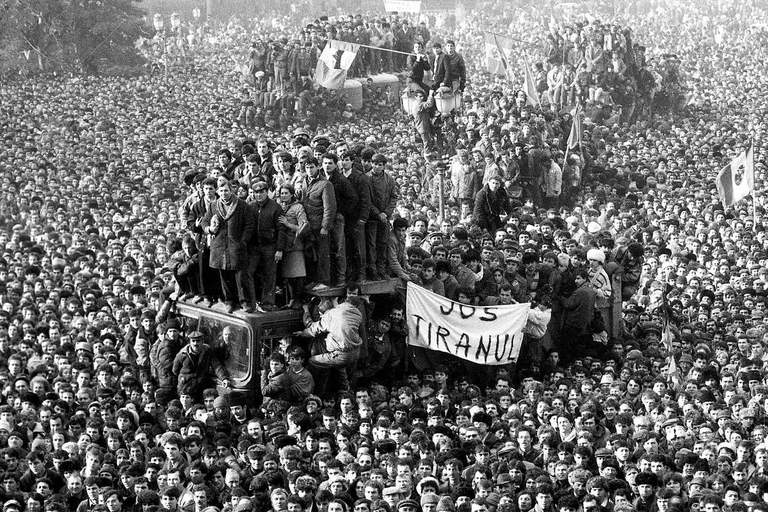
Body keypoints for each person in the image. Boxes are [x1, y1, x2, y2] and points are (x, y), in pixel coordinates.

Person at [201, 177, 254, 313]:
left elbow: (249, 224)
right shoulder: (214, 205)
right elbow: (205, 221)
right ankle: (229, 301)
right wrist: (209, 229)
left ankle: (244, 302)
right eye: (221, 191)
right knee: (224, 275)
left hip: (236, 245)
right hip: (219, 245)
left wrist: (243, 241)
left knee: (240, 275)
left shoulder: (242, 205)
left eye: (226, 190)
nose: (224, 193)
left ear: (231, 191)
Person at [295, 293, 363, 397]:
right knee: (341, 371)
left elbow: (314, 328)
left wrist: (304, 332)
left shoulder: (333, 313)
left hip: (340, 354)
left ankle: (308, 391)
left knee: (312, 361)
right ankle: (346, 393)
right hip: (355, 352)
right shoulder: (357, 314)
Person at [243, 180, 286, 313]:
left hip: (270, 246)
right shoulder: (250, 207)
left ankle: (267, 304)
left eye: (262, 192)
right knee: (248, 272)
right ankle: (251, 302)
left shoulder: (275, 207)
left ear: (267, 192)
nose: (259, 194)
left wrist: (279, 249)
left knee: (270, 275)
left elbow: (281, 229)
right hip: (254, 247)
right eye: (257, 192)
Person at [298, 156, 337, 291]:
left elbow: (329, 208)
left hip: (320, 226)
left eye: (312, 167)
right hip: (308, 226)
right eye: (307, 167)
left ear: (317, 167)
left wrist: (325, 226)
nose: (309, 170)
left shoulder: (325, 184)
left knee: (323, 254)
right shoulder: (304, 181)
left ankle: (324, 281)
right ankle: (314, 280)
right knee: (311, 255)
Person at [366, 153, 399, 280]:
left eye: (380, 165)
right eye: (375, 164)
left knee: (383, 243)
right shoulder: (367, 178)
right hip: (372, 218)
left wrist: (386, 213)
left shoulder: (389, 179)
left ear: (384, 166)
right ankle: (373, 270)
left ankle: (381, 269)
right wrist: (377, 213)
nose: (377, 167)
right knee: (371, 244)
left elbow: (394, 197)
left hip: (385, 217)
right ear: (371, 164)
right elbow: (367, 200)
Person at [277, 183, 309, 309]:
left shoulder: (298, 207)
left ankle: (298, 300)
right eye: (282, 193)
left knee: (297, 275)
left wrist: (287, 223)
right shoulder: (280, 206)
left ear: (291, 194)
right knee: (289, 276)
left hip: (295, 245)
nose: (283, 196)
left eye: (286, 193)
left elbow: (303, 227)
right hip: (284, 245)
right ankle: (291, 300)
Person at [172, 331, 229, 402]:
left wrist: (224, 378)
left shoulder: (207, 351)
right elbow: (175, 371)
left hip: (200, 387)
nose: (195, 344)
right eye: (193, 341)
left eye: (198, 341)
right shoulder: (182, 355)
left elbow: (216, 366)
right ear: (190, 342)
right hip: (185, 388)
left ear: (202, 341)